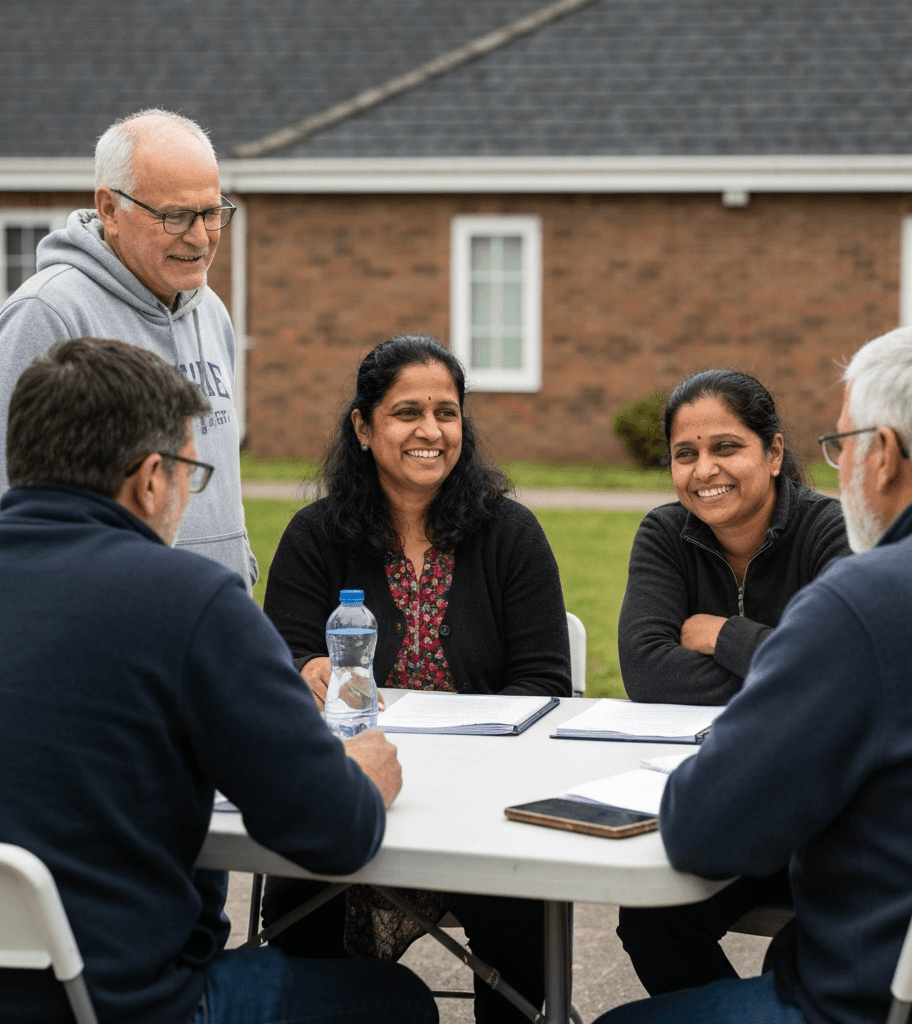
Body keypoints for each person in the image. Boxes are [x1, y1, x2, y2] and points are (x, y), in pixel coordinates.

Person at [595, 317, 912, 1024]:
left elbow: (702, 829)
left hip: (883, 1003)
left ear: (882, 454)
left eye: (843, 444)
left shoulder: (866, 602)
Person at [0, 336, 437, 1024]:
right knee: (396, 1003)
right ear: (149, 479)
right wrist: (360, 776)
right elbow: (333, 833)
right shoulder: (186, 600)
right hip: (125, 1004)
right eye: (188, 475)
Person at [260, 334, 572, 1024]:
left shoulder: (510, 534)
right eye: (407, 412)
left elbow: (546, 685)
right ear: (364, 428)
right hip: (350, 789)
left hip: (483, 801)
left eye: (447, 412)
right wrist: (302, 668)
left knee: (523, 913)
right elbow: (268, 668)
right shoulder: (315, 537)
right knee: (299, 903)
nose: (431, 430)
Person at [615, 369, 850, 996]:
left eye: (726, 447)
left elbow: (836, 677)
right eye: (684, 454)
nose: (704, 470)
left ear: (773, 453)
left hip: (822, 817)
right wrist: (785, 665)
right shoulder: (666, 534)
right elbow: (646, 670)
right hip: (724, 799)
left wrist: (722, 636)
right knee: (649, 920)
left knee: (802, 948)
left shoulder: (833, 532)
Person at [0, 108, 256, 587]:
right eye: (176, 216)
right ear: (111, 209)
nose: (200, 237)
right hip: (110, 623)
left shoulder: (212, 312)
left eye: (211, 212)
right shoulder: (48, 313)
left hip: (212, 616)